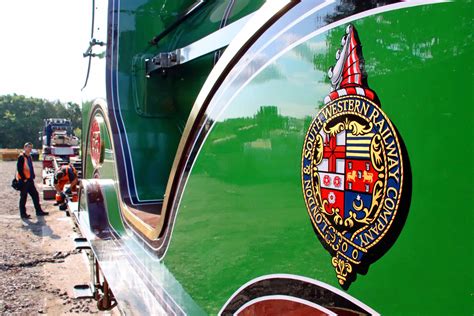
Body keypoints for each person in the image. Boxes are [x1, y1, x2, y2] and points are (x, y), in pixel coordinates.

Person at [17, 142, 49, 219]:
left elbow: (30, 167)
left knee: (35, 195)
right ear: (25, 147)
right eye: (28, 147)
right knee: (23, 197)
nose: (30, 149)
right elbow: (20, 169)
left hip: (30, 180)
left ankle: (38, 211)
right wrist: (24, 179)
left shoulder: (29, 157)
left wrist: (33, 175)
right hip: (24, 181)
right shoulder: (21, 157)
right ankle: (23, 214)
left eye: (31, 147)